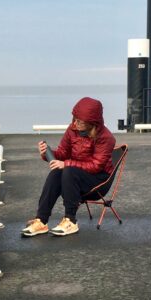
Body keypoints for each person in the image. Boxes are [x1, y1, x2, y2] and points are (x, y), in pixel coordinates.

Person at [22, 97, 116, 237]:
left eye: (80, 121)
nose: (75, 123)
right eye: (74, 119)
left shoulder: (106, 138)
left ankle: (70, 221)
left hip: (98, 181)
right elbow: (62, 153)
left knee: (68, 170)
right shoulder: (72, 129)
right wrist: (47, 153)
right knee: (56, 173)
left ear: (92, 123)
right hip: (74, 175)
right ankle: (41, 221)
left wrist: (66, 164)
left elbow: (96, 166)